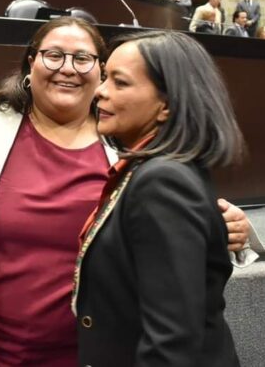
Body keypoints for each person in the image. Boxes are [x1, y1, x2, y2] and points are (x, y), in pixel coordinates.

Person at [0, 17, 259, 366]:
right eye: (54, 55)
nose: (67, 68)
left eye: (83, 59)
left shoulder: (128, 147)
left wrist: (230, 225)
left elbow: (173, 241)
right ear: (31, 62)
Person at [74, 30, 243, 366]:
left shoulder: (162, 181)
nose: (100, 91)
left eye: (119, 83)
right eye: (104, 77)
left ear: (166, 105)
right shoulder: (152, 169)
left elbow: (171, 342)